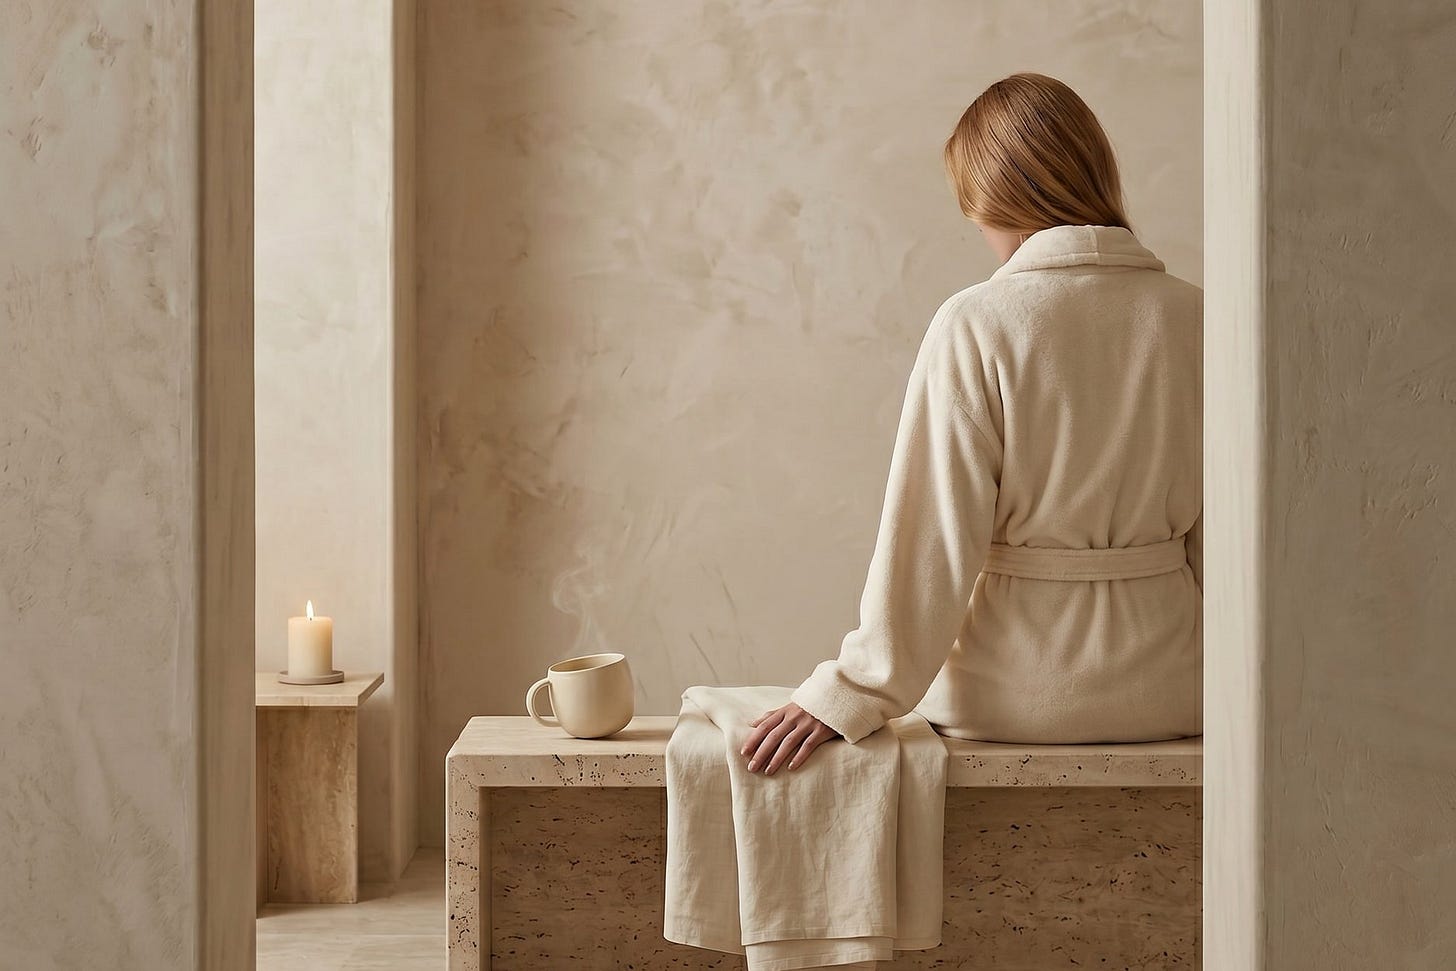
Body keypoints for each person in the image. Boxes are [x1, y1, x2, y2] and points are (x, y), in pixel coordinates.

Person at [740, 72, 1203, 775]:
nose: (983, 235)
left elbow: (932, 537)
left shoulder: (976, 324)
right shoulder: (1197, 318)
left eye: (977, 214)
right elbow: (1233, 539)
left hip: (1008, 696)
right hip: (1178, 686)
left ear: (1002, 200)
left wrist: (852, 690)